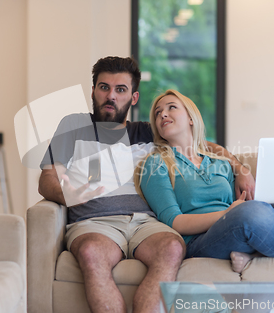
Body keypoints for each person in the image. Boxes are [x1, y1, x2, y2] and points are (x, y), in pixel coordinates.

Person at [38, 57, 256, 313]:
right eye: (104, 87)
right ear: (93, 91)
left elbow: (204, 145)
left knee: (173, 247)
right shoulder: (74, 126)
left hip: (148, 222)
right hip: (95, 221)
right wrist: (68, 195)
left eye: (121, 90)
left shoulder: (148, 132)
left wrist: (240, 168)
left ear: (133, 97)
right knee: (91, 253)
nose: (111, 96)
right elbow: (46, 180)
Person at [135, 89, 274, 273]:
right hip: (202, 241)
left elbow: (245, 204)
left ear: (191, 117)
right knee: (251, 213)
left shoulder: (220, 161)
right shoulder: (154, 164)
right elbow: (174, 222)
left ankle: (258, 254)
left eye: (171, 107)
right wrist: (227, 214)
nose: (163, 114)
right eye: (158, 112)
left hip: (242, 227)